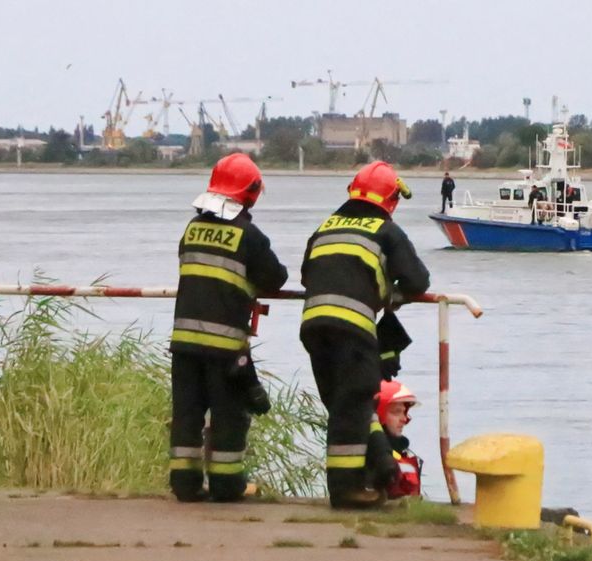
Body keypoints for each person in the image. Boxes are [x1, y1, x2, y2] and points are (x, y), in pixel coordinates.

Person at [299, 161, 431, 509]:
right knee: (355, 403)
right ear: (390, 200)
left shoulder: (326, 226)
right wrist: (389, 290)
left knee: (345, 404)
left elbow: (305, 274)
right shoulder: (386, 231)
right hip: (353, 328)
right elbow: (418, 281)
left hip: (313, 326)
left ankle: (382, 467)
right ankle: (346, 491)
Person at [169, 153, 287, 503]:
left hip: (183, 342)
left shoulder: (191, 229)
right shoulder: (249, 235)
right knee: (229, 417)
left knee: (187, 415)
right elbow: (276, 278)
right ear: (250, 193)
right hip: (224, 346)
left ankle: (184, 485)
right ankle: (226, 485)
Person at [370, 380, 423, 499]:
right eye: (397, 412)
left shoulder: (399, 453)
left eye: (404, 412)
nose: (404, 419)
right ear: (379, 415)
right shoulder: (372, 455)